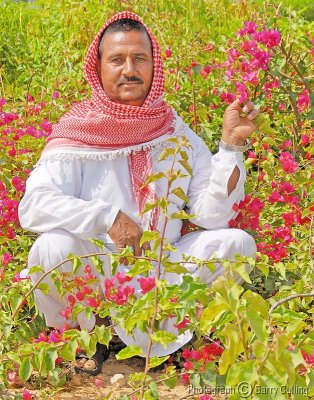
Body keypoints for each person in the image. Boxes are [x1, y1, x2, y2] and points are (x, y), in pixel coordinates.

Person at [18, 11, 258, 375]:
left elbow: (212, 216)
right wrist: (108, 217)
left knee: (238, 243)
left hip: (164, 262)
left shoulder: (175, 130)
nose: (129, 69)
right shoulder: (78, 129)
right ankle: (89, 338)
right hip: (99, 264)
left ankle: (167, 339)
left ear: (153, 65)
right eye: (116, 59)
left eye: (139, 59)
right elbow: (34, 205)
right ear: (98, 68)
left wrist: (230, 147)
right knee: (51, 248)